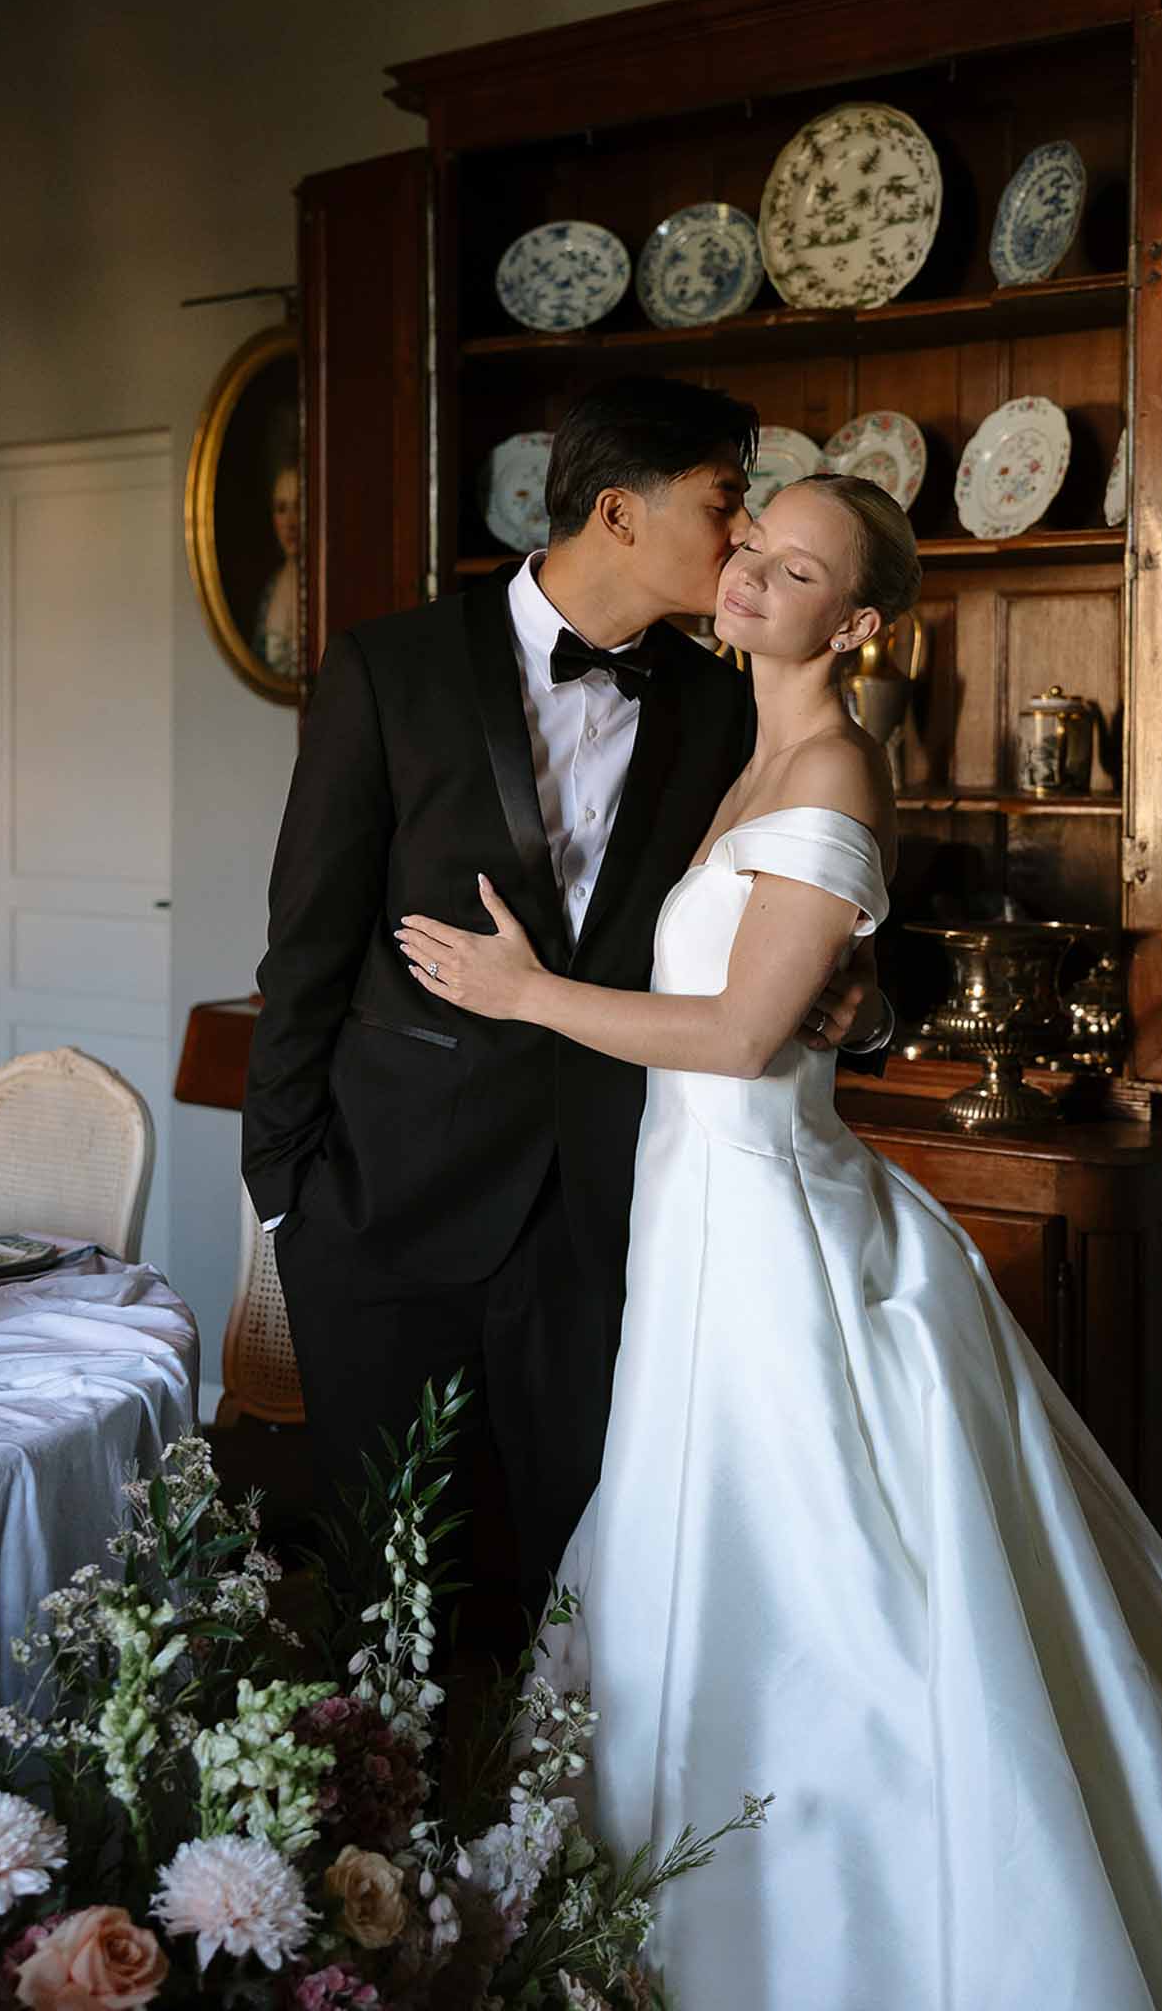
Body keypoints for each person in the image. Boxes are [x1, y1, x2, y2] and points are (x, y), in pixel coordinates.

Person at [394, 473, 1162, 2010]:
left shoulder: (831, 776)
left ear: (852, 621)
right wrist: (842, 1007)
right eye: (748, 546)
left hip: (767, 1235)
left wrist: (525, 995)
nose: (742, 578)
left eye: (790, 570)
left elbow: (734, 1036)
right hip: (694, 1222)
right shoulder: (752, 752)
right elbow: (796, 998)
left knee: (813, 1586)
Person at [240, 379, 893, 1614]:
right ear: (618, 511)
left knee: (578, 1591)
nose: (742, 533)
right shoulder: (391, 668)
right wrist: (286, 1194)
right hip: (387, 1210)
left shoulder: (722, 705)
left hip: (611, 1218)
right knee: (383, 1593)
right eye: (723, 501)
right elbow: (305, 946)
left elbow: (797, 916)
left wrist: (869, 1005)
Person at [251, 462, 299, 679]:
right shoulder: (270, 589)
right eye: (281, 508)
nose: (290, 522)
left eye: (298, 507)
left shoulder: (328, 588)